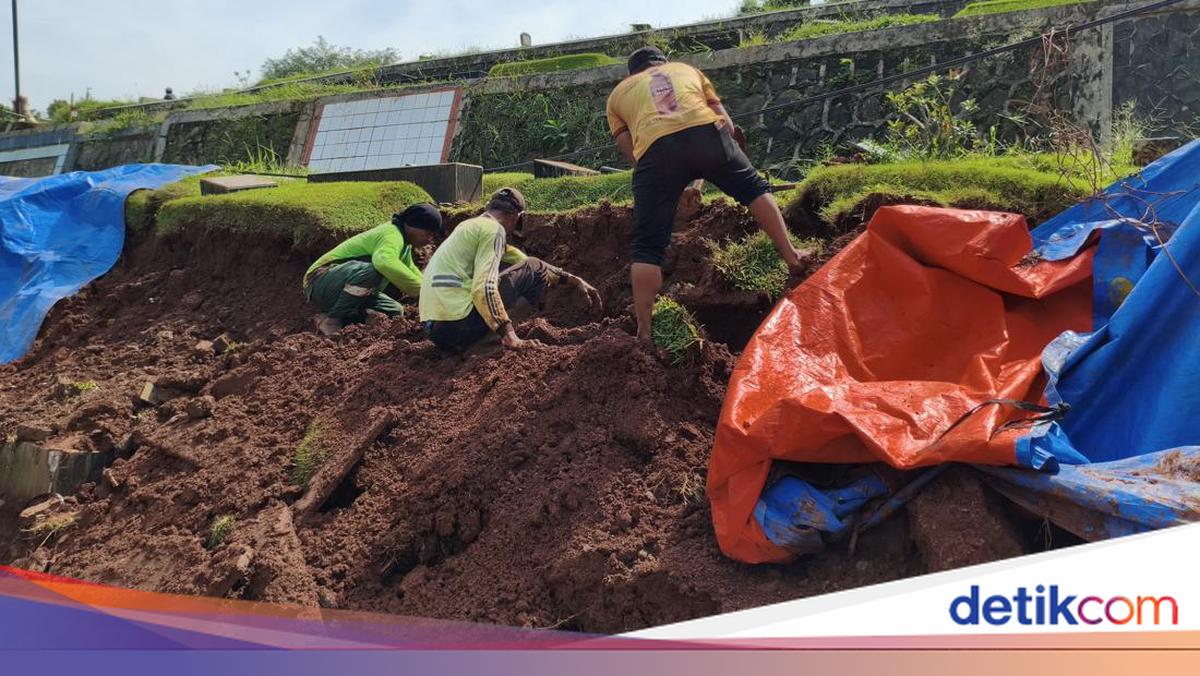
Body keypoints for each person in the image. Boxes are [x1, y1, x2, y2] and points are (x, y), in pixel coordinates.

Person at [605, 46, 811, 341]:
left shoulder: (617, 95)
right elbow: (724, 124)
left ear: (632, 73)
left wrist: (672, 186)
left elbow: (635, 153)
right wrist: (704, 176)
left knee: (647, 246)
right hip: (706, 133)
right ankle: (792, 256)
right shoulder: (687, 71)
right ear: (663, 63)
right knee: (753, 187)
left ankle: (644, 331)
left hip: (654, 151)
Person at [419, 187, 602, 351]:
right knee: (528, 270)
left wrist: (572, 279)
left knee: (531, 267)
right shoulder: (494, 230)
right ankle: (497, 339)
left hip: (435, 331)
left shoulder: (468, 227)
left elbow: (527, 263)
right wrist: (510, 336)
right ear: (518, 217)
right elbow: (484, 287)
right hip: (458, 325)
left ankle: (479, 342)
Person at [303, 203, 443, 335]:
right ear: (413, 226)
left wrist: (429, 289)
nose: (430, 239)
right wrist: (421, 288)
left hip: (339, 288)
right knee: (373, 271)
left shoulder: (405, 245)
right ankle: (332, 320)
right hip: (318, 280)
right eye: (428, 233)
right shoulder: (392, 234)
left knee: (395, 311)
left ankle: (326, 317)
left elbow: (410, 268)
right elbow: (383, 262)